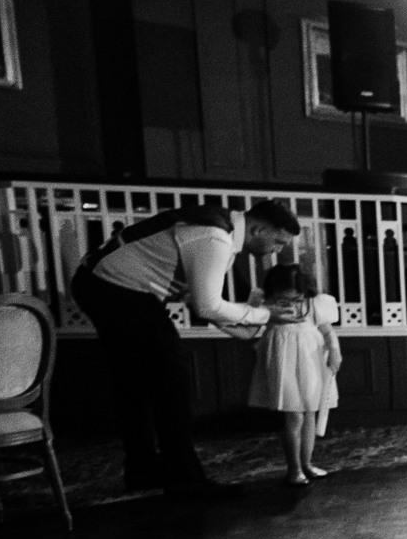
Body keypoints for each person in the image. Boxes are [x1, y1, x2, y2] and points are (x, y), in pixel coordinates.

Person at [68, 198, 300, 499]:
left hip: (105, 285)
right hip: (116, 289)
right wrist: (265, 315)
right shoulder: (214, 236)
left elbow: (197, 302)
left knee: (135, 383)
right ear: (257, 229)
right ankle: (184, 480)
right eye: (278, 242)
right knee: (172, 381)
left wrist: (250, 331)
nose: (277, 252)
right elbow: (207, 305)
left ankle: (143, 470)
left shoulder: (220, 231)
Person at [242, 263, 340, 486]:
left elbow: (327, 330)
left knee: (309, 412)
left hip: (310, 357)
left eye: (296, 298)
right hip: (281, 357)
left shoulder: (314, 303)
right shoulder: (262, 301)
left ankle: (307, 463)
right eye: (283, 299)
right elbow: (252, 329)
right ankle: (294, 468)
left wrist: (334, 351)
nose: (291, 304)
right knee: (293, 413)